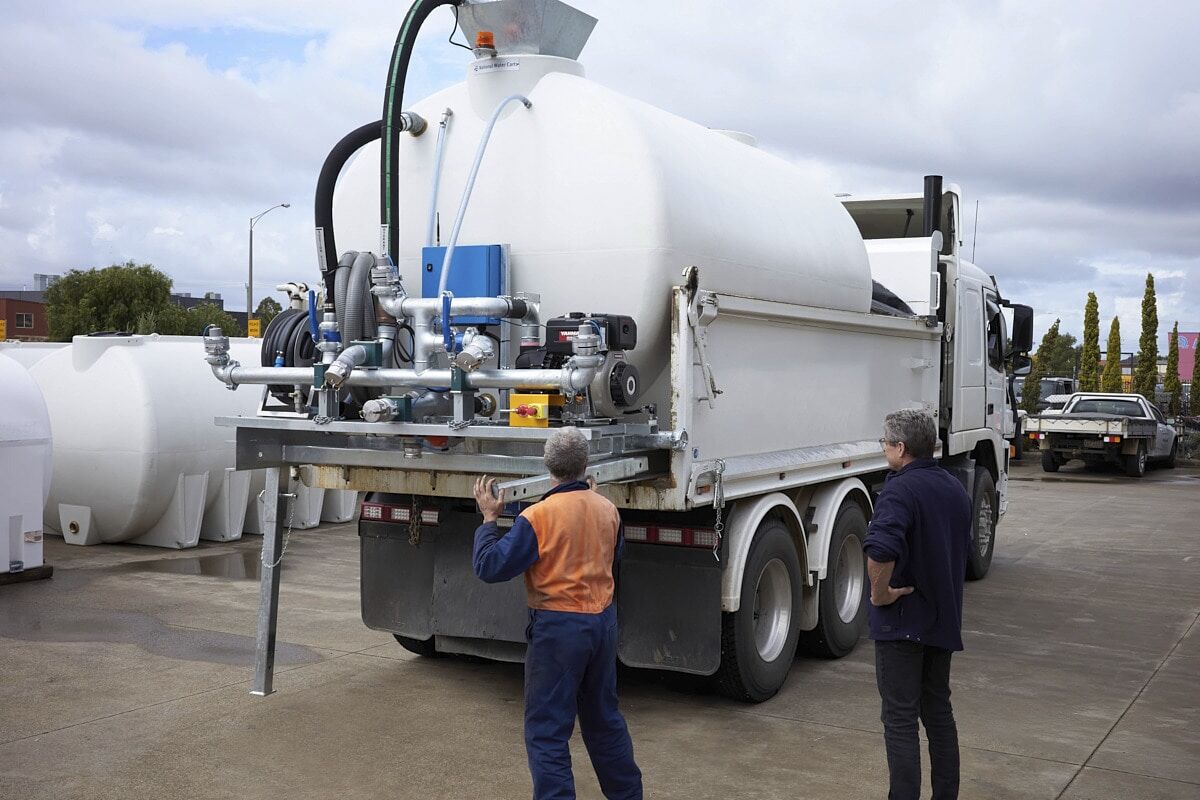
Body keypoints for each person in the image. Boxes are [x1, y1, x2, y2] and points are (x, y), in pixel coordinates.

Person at [472, 426, 643, 800]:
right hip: (602, 624)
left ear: (547, 464)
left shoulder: (537, 517)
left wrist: (488, 519)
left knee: (547, 730)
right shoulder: (607, 509)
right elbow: (614, 555)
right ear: (586, 464)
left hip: (558, 629)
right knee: (604, 721)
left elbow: (489, 567)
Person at [865, 409, 972, 800]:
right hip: (941, 621)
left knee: (899, 719)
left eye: (885, 442)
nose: (884, 448)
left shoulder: (899, 490)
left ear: (901, 447)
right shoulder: (954, 488)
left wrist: (880, 595)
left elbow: (880, 550)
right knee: (938, 713)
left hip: (903, 622)